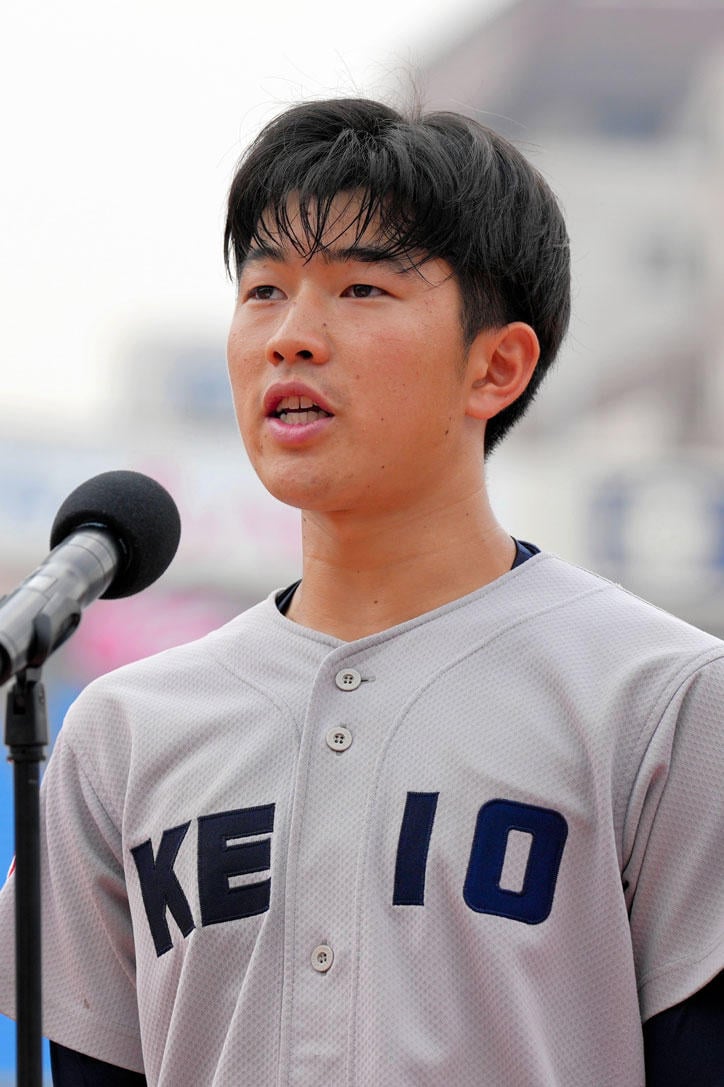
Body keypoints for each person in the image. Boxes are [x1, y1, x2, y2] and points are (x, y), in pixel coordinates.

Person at [0, 97, 722, 1086]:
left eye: (361, 289)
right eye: (263, 289)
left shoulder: (662, 699)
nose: (291, 336)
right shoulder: (126, 732)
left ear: (497, 365)